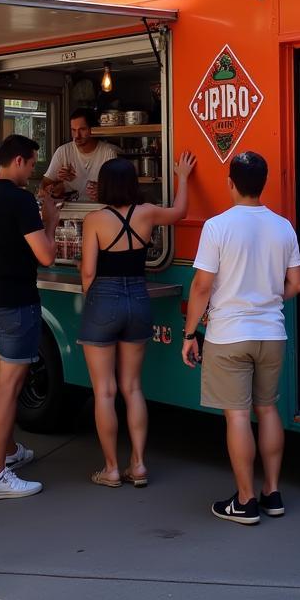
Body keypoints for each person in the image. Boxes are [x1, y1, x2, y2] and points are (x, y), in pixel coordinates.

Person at [182, 151, 300, 525]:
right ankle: (272, 492)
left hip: (229, 334)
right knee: (267, 410)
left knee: (237, 415)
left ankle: (245, 501)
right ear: (263, 183)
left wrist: (190, 334)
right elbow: (296, 284)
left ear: (230, 183)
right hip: (271, 333)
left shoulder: (217, 227)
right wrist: (266, 297)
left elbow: (203, 285)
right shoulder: (284, 227)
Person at [80, 151, 197, 488]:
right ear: (133, 184)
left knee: (104, 391)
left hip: (103, 297)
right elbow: (181, 212)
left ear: (103, 186)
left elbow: (88, 272)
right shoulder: (146, 213)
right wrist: (184, 177)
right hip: (139, 297)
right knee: (132, 388)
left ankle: (112, 469)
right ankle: (140, 465)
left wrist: (95, 301)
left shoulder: (95, 220)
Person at [0, 134, 58, 501]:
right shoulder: (20, 199)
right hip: (16, 301)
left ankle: (4, 453)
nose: (33, 171)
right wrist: (49, 219)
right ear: (18, 161)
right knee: (9, 387)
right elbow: (46, 255)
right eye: (32, 163)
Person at [41, 109, 120, 202]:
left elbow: (119, 190)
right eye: (73, 130)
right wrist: (58, 182)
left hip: (101, 209)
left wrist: (103, 191)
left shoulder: (109, 152)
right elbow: (44, 187)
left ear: (92, 129)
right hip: (70, 210)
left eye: (82, 129)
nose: (77, 135)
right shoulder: (63, 151)